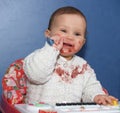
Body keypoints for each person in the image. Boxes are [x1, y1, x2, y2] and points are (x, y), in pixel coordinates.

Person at [23, 6, 118, 105]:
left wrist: (97, 96)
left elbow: (90, 87)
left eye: (77, 34)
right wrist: (52, 48)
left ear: (83, 42)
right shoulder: (38, 57)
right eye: (63, 31)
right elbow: (36, 76)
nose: (70, 37)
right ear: (48, 34)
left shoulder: (83, 67)